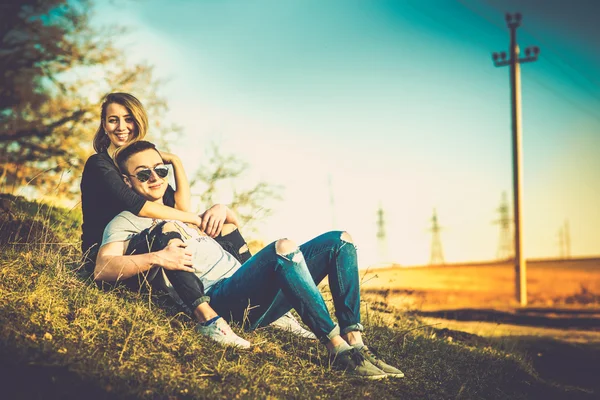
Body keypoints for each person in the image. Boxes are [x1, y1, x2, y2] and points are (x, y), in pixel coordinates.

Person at [95, 140, 405, 379]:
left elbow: (231, 233)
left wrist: (220, 208)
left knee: (340, 241)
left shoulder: (182, 213)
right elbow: (103, 269)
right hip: (225, 299)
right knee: (283, 246)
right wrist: (157, 257)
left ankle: (357, 344)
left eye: (160, 170)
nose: (155, 178)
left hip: (253, 287)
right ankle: (338, 351)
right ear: (126, 181)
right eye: (143, 173)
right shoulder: (126, 221)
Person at [80, 92, 314, 340]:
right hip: (115, 255)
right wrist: (193, 220)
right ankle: (208, 318)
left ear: (138, 121)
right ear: (103, 125)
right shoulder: (101, 165)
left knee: (224, 229)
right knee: (170, 229)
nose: (121, 127)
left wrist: (176, 163)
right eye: (112, 120)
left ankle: (267, 307)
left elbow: (179, 208)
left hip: (149, 243)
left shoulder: (145, 168)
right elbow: (141, 208)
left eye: (128, 119)